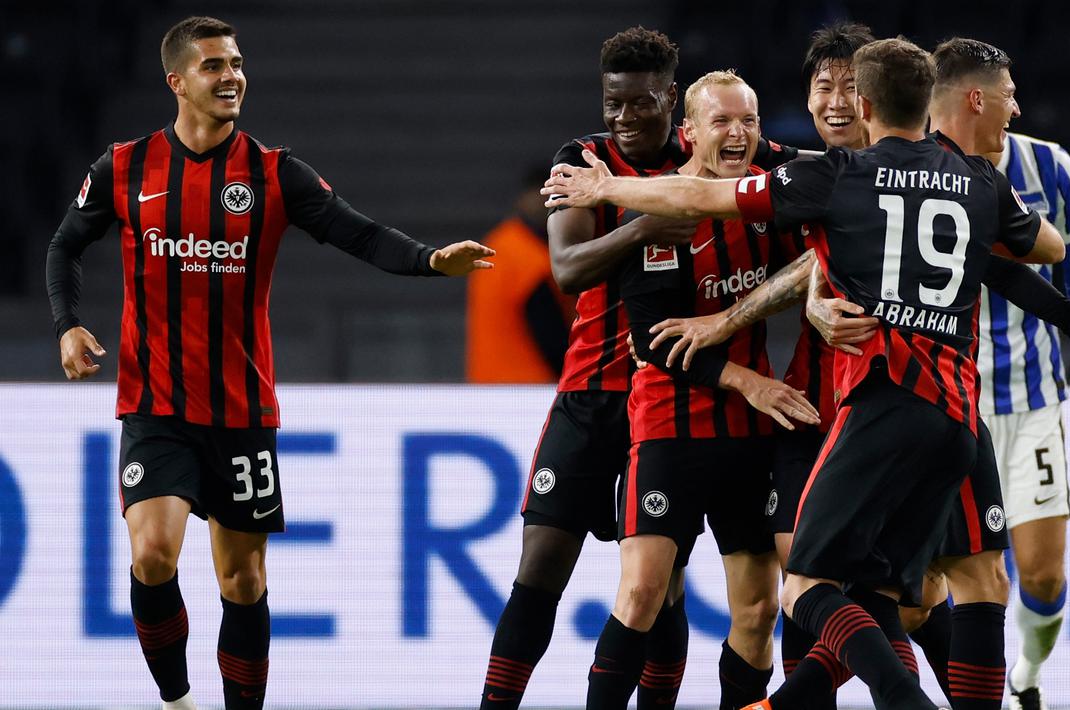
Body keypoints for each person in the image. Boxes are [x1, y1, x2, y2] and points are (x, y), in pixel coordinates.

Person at [544, 37, 1067, 709]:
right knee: (890, 593)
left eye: (847, 87)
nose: (834, 99)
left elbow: (710, 199)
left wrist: (608, 188)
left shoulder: (827, 176)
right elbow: (1032, 250)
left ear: (867, 101)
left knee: (835, 585)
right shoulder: (954, 179)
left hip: (875, 401)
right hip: (874, 408)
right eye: (821, 87)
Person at [45, 16, 493, 710]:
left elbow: (358, 233)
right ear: (176, 81)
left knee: (243, 583)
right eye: (213, 66)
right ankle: (177, 702)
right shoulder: (124, 167)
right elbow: (63, 246)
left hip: (241, 411)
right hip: (155, 404)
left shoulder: (274, 172)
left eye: (237, 63)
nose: (231, 76)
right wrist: (69, 326)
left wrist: (431, 261)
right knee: (150, 556)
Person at [480, 27, 797, 709]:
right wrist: (644, 223)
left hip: (674, 395)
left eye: (642, 105)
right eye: (612, 104)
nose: (624, 119)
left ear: (671, 103)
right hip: (597, 392)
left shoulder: (712, 145)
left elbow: (798, 168)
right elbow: (565, 270)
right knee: (541, 566)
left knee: (660, 585)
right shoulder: (582, 161)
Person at [587, 70, 819, 710]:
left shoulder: (771, 201)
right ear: (689, 133)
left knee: (758, 607)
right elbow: (652, 339)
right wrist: (749, 380)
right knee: (642, 592)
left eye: (748, 121)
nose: (738, 133)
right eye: (722, 122)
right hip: (670, 424)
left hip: (749, 435)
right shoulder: (659, 212)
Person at [927, 37, 1070, 710]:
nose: (1017, 106)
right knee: (942, 586)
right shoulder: (923, 167)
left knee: (1039, 578)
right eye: (1008, 93)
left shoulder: (1048, 165)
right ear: (974, 96)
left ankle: (1025, 677)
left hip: (1030, 401)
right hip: (947, 403)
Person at [466, 167, 575, 383]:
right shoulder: (526, 256)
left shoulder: (500, 242)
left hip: (487, 386)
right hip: (528, 390)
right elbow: (550, 337)